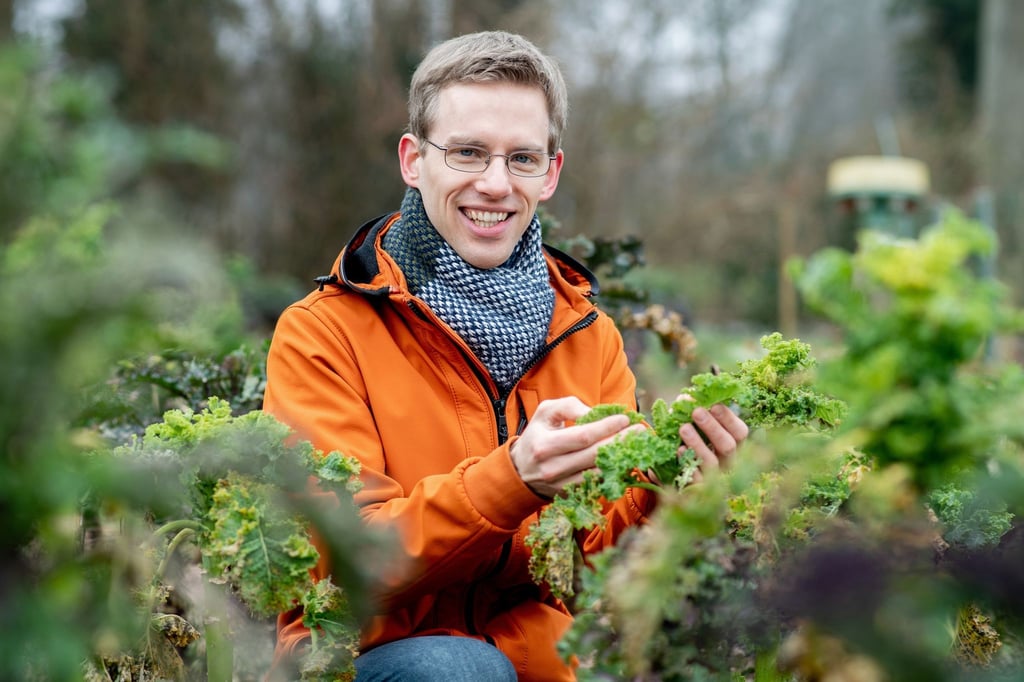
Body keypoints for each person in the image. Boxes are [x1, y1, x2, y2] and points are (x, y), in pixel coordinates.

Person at [263, 30, 749, 682]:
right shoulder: (324, 335)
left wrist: (673, 483)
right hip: (364, 660)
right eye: (467, 152)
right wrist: (512, 481)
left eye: (521, 159)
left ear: (550, 173)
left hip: (536, 664)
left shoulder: (588, 336)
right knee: (453, 669)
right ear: (413, 159)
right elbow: (344, 564)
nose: (494, 184)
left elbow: (590, 562)